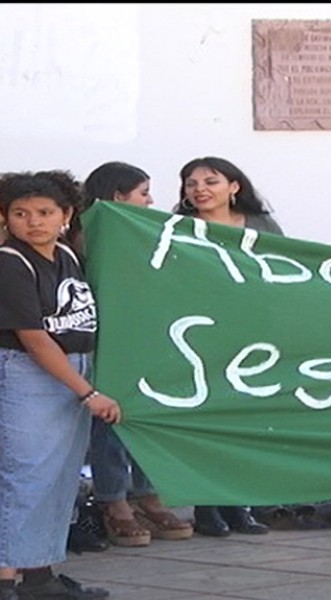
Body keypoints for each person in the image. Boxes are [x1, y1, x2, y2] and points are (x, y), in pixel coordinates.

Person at [0, 170, 120, 600]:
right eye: (21, 213)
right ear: (6, 217)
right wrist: (86, 392)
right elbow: (33, 340)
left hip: (70, 371)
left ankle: (40, 574)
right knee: (25, 477)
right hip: (29, 375)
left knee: (58, 478)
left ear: (66, 214)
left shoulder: (67, 257)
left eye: (45, 212)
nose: (34, 222)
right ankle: (6, 578)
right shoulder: (10, 263)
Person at [77, 161, 194, 547]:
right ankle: (114, 501)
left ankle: (148, 494)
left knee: (150, 415)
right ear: (117, 197)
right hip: (101, 342)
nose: (151, 201)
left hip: (146, 340)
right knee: (110, 420)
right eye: (144, 193)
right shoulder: (83, 237)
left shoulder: (148, 234)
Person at [175, 156, 280, 536]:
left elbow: (284, 269)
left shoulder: (261, 225)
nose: (200, 189)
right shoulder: (178, 229)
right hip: (200, 333)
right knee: (207, 421)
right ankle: (207, 506)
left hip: (254, 333)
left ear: (234, 187)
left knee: (244, 421)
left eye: (210, 181)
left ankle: (240, 504)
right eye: (191, 183)